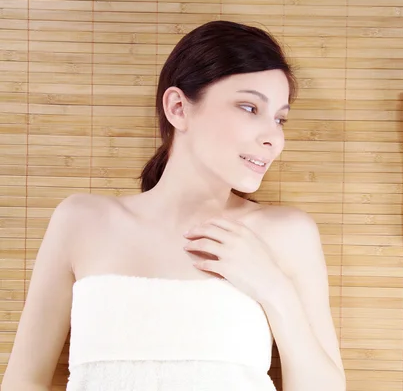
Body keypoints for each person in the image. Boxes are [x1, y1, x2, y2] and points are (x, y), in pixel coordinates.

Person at [2, 20, 346, 391]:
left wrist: (274, 288)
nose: (273, 138)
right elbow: (23, 382)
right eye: (249, 108)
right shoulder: (81, 221)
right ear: (179, 108)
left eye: (280, 118)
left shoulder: (286, 233)